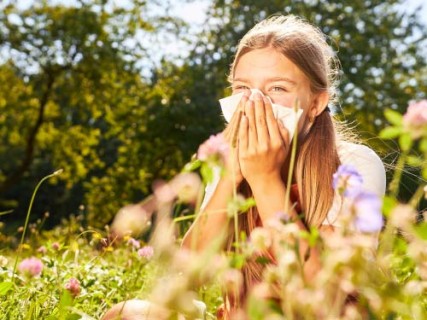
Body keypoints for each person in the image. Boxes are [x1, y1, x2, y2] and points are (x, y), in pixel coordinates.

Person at [182, 14, 386, 316]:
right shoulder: (230, 159)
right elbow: (188, 273)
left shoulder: (354, 164)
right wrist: (231, 176)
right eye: (242, 89)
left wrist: (264, 178)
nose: (255, 102)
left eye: (277, 88)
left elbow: (324, 293)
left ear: (316, 104)